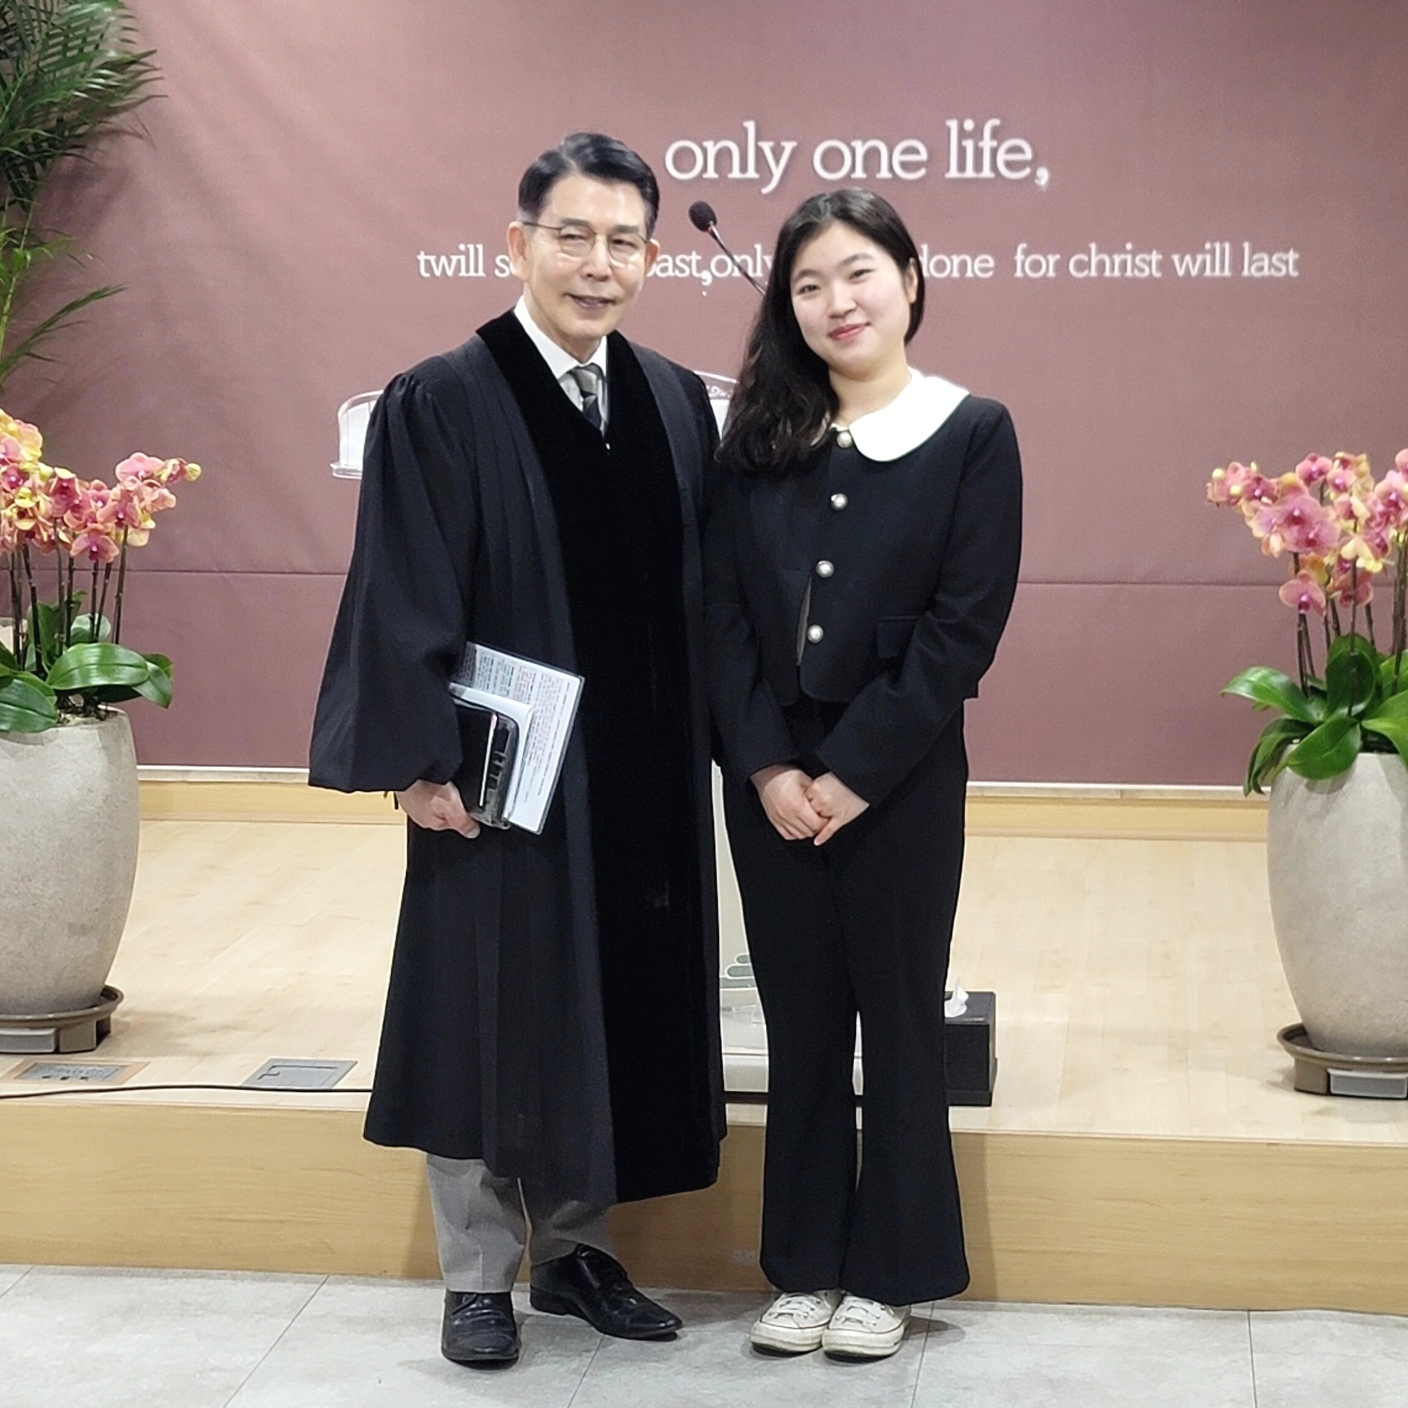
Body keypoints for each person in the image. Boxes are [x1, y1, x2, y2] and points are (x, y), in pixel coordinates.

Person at [310, 133, 725, 1369]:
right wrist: (420, 761)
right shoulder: (445, 397)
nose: (598, 264)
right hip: (497, 778)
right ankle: (477, 1272)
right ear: (519, 244)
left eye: (623, 242)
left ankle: (579, 1253)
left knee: (611, 1002)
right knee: (484, 1005)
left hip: (639, 777)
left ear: (650, 258)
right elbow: (402, 587)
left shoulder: (671, 400)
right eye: (573, 236)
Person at [704, 188, 1022, 1360]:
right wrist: (767, 766)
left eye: (857, 273)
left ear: (909, 281)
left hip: (899, 779)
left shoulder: (971, 431)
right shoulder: (756, 439)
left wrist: (848, 775)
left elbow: (960, 630)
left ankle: (890, 1272)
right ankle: (802, 1267)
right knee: (797, 1026)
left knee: (896, 1022)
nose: (836, 301)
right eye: (807, 284)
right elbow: (719, 615)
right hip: (770, 784)